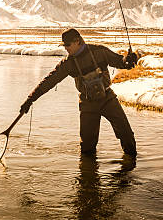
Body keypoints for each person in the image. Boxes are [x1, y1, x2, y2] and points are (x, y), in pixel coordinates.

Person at [20, 28, 138, 157]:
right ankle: (88, 173)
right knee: (87, 146)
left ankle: (130, 167)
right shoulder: (68, 64)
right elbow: (49, 81)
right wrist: (30, 99)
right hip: (87, 104)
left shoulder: (99, 51)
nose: (65, 48)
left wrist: (129, 60)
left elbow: (120, 61)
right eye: (63, 45)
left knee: (126, 134)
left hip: (108, 99)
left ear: (77, 41)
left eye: (67, 45)